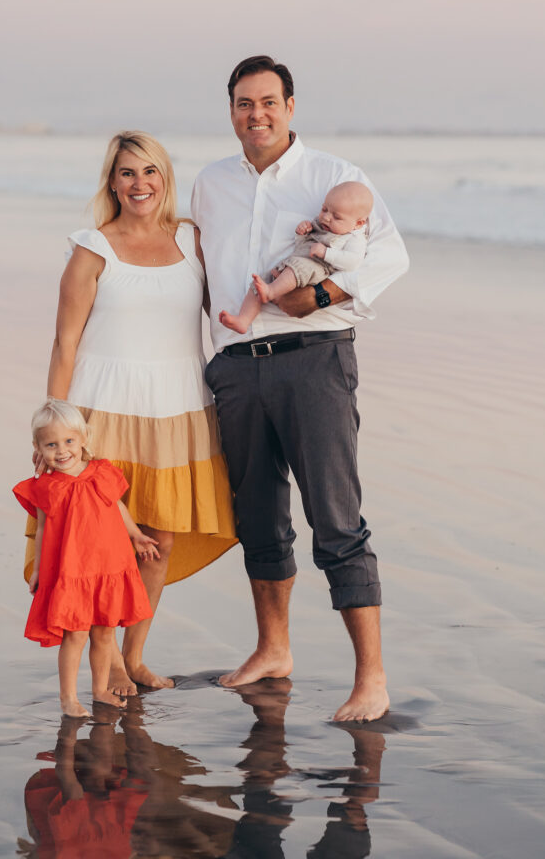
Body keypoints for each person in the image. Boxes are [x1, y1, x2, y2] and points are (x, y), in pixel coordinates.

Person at [191, 55, 409, 722]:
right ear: (229, 109)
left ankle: (370, 679)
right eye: (241, 103)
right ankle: (272, 650)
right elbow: (197, 276)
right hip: (235, 365)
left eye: (267, 102)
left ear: (289, 106)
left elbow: (389, 255)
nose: (254, 114)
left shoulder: (335, 178)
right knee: (257, 515)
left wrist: (317, 295)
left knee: (335, 520)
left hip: (314, 361)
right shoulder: (209, 184)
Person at [28, 131, 236, 694]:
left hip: (179, 407)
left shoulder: (193, 242)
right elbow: (64, 344)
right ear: (112, 182)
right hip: (103, 410)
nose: (139, 183)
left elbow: (231, 307)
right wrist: (54, 424)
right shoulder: (93, 247)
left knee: (159, 541)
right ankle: (107, 662)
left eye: (149, 172)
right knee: (102, 542)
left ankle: (135, 655)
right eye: (126, 173)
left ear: (165, 178)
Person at [14, 399, 159, 717]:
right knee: (75, 635)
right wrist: (38, 569)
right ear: (38, 448)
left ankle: (99, 690)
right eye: (51, 444)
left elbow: (118, 507)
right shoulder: (47, 486)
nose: (62, 450)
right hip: (73, 572)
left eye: (69, 441)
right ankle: (68, 698)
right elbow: (41, 530)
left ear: (82, 439)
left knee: (105, 632)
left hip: (108, 565)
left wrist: (136, 535)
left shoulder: (102, 473)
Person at [219, 181, 373, 334]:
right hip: (296, 263)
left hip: (319, 268)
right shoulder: (322, 224)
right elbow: (302, 246)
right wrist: (302, 233)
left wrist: (326, 253)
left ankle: (271, 292)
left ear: (358, 224)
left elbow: (353, 262)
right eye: (324, 209)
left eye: (336, 217)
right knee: (260, 282)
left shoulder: (355, 238)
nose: (326, 217)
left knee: (296, 269)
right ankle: (243, 320)